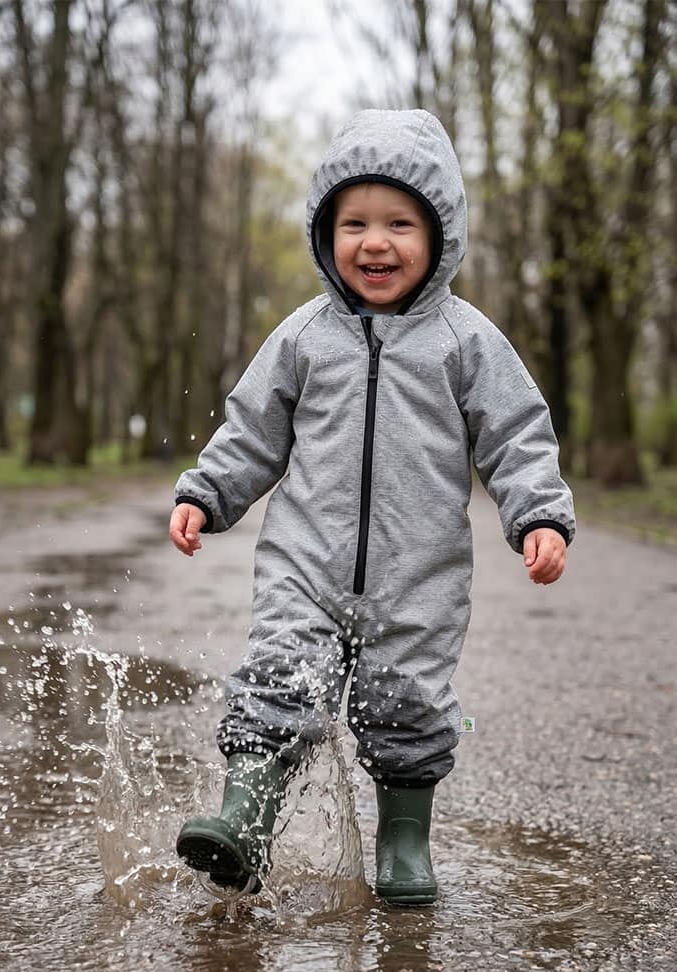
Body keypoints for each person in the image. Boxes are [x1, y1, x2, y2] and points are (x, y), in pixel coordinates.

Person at [169, 110, 575, 906]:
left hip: (418, 574)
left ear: (439, 235)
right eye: (354, 223)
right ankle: (244, 819)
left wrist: (540, 516)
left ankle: (403, 840)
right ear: (327, 235)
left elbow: (518, 435)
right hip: (306, 562)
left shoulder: (467, 341)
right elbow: (254, 428)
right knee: (280, 675)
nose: (375, 242)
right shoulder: (304, 337)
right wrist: (208, 492)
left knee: (408, 704)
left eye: (399, 223)